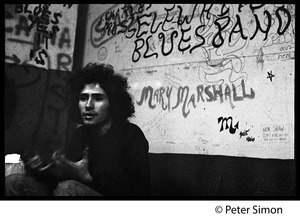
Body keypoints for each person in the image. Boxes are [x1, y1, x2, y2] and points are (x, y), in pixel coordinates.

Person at [5, 63, 151, 196]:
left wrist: (87, 178)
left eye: (98, 98)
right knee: (14, 181)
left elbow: (138, 192)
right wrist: (41, 172)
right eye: (83, 98)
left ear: (113, 103)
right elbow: (63, 181)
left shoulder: (131, 135)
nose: (88, 105)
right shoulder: (81, 134)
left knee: (67, 188)